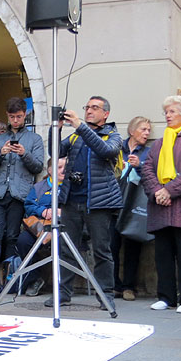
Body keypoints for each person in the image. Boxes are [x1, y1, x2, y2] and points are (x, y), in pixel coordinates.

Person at [46, 96, 122, 308]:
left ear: (105, 114)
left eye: (94, 108)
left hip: (99, 203)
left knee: (102, 251)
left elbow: (105, 151)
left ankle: (105, 295)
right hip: (72, 200)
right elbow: (55, 152)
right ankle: (63, 294)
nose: (89, 111)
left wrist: (80, 125)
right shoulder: (76, 136)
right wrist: (56, 129)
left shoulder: (112, 135)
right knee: (67, 249)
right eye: (87, 107)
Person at [0, 97, 44, 292]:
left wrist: (24, 153)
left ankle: (9, 276)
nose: (15, 120)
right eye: (11, 117)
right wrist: (1, 152)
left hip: (19, 193)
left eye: (18, 116)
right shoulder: (0, 139)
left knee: (12, 236)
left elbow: (38, 166)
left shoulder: (34, 139)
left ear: (25, 115)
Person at [141, 95, 181, 313]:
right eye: (166, 112)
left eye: (172, 111)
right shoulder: (159, 143)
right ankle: (166, 297)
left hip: (179, 207)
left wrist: (169, 190)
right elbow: (147, 169)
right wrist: (157, 190)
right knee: (163, 255)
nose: (167, 115)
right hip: (160, 209)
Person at [111, 116, 151, 301]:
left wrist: (139, 166)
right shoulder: (117, 149)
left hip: (135, 204)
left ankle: (129, 287)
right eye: (143, 129)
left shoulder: (149, 152)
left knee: (133, 245)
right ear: (132, 131)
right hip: (114, 202)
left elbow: (153, 174)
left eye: (148, 130)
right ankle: (114, 285)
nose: (147, 133)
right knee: (112, 245)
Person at [16, 157, 66, 296]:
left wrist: (62, 212)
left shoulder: (72, 187)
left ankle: (64, 284)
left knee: (64, 244)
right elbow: (29, 205)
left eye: (65, 167)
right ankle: (35, 278)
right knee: (23, 241)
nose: (63, 170)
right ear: (49, 170)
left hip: (64, 227)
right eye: (59, 167)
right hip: (40, 226)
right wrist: (43, 211)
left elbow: (79, 208)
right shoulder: (39, 187)